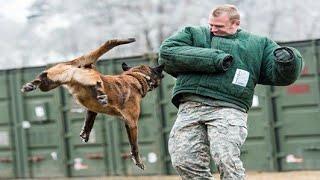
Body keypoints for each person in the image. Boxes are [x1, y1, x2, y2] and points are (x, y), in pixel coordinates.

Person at [158, 4, 303, 180]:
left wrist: (289, 60)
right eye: (211, 24)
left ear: (235, 24)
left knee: (226, 158)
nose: (213, 29)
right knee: (183, 160)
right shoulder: (193, 34)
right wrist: (215, 59)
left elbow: (280, 75)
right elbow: (167, 53)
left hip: (229, 108)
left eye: (218, 26)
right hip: (191, 105)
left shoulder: (257, 44)